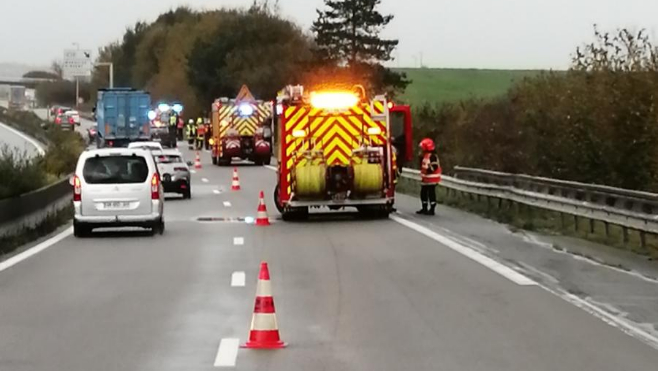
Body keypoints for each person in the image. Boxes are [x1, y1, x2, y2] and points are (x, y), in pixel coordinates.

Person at [416, 138, 442, 215]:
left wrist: (427, 171)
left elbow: (434, 167)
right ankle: (424, 208)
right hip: (426, 179)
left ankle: (432, 209)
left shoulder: (432, 156)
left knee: (431, 193)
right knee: (423, 193)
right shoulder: (425, 155)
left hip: (432, 179)